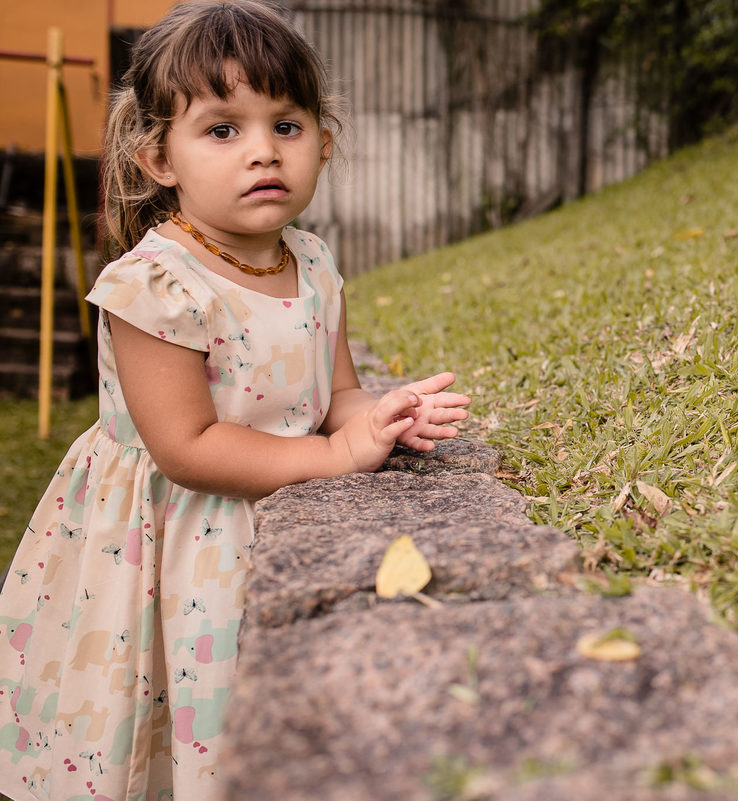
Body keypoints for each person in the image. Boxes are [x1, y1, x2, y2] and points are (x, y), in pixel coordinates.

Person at [0, 2, 471, 799]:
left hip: (267, 517)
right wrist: (332, 456)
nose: (262, 152)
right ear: (159, 156)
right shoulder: (152, 284)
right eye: (223, 130)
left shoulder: (313, 263)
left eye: (285, 126)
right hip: (169, 541)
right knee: (162, 718)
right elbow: (187, 445)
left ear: (324, 140)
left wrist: (380, 420)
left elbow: (337, 396)